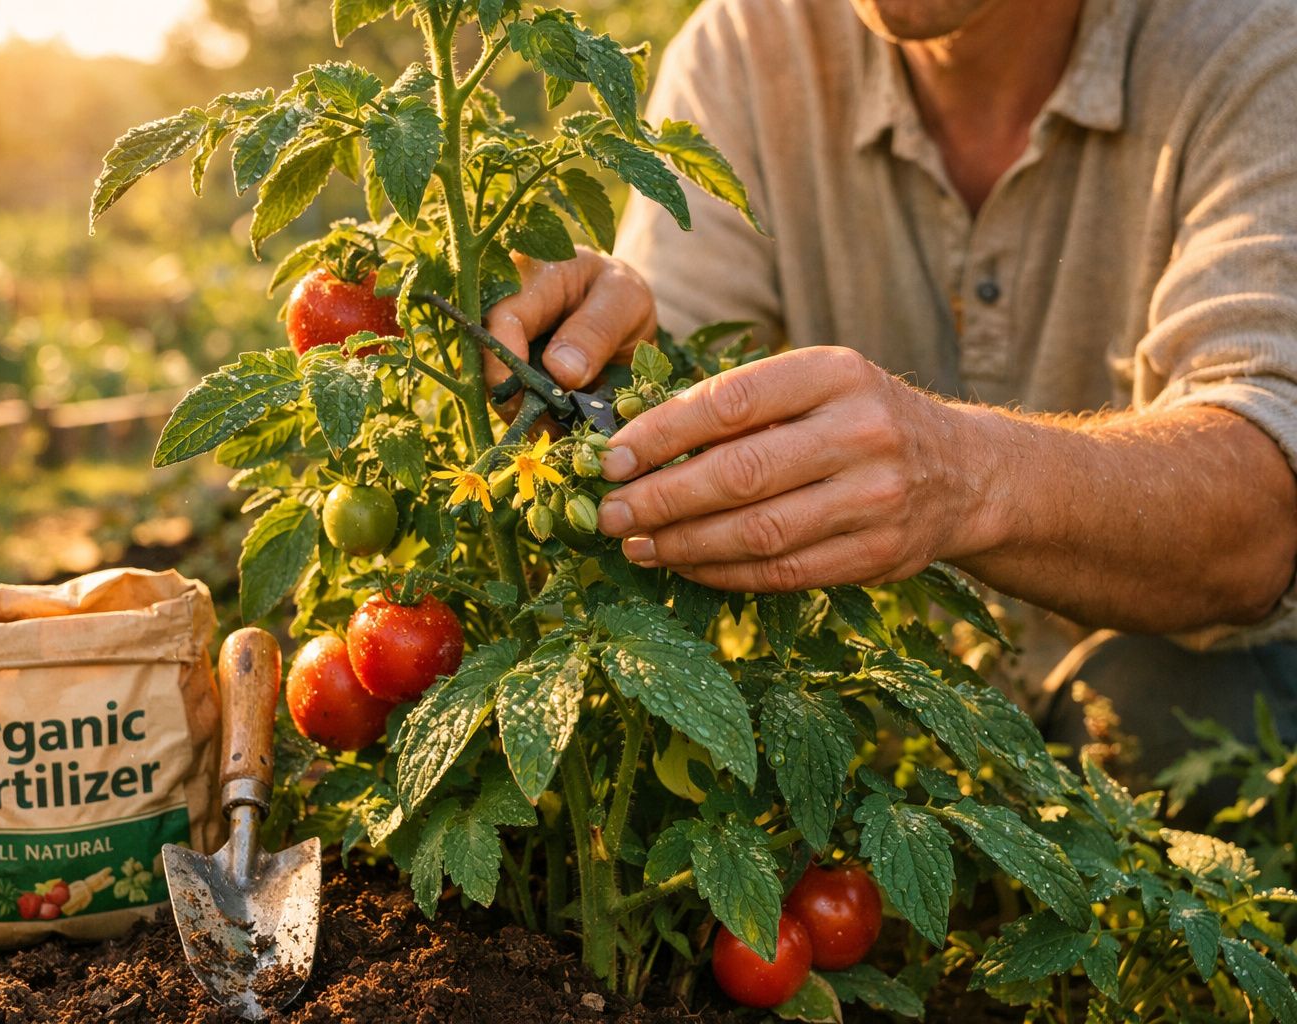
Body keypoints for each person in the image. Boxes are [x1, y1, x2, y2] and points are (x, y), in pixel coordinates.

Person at [484, 0, 1297, 799]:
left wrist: (962, 471)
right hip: (892, 764)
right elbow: (674, 389)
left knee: (1181, 704)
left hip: (1168, 746)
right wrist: (605, 352)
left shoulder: (1248, 42)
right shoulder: (751, 45)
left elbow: (1264, 517)